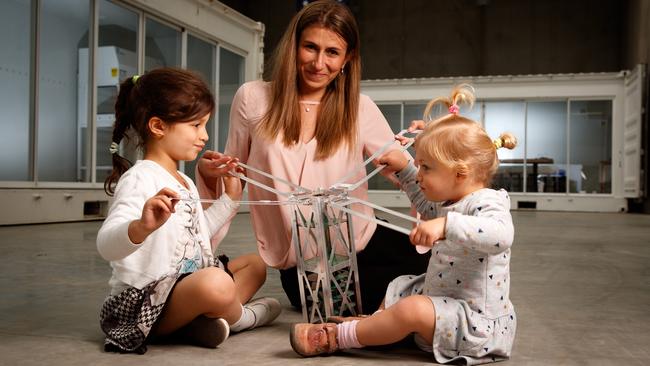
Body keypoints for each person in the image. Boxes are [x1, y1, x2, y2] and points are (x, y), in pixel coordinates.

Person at [196, 0, 428, 314]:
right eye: (310, 47)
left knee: (444, 268)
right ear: (293, 48)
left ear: (347, 58)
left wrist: (419, 162)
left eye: (332, 52)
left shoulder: (360, 108)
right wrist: (210, 173)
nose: (319, 63)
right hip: (302, 267)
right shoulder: (252, 98)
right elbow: (231, 177)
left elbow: (418, 181)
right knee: (384, 305)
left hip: (363, 241)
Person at [289, 84, 518, 364]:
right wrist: (403, 167)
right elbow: (424, 203)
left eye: (426, 167)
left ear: (461, 173)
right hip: (443, 299)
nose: (419, 175)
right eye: (418, 166)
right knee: (401, 285)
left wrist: (445, 226)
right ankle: (374, 326)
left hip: (471, 325)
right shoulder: (448, 198)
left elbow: (501, 236)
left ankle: (341, 337)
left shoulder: (487, 202)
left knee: (411, 309)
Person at [96, 67, 280, 354]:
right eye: (196, 125)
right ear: (158, 126)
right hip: (144, 303)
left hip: (182, 288)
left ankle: (198, 323)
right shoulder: (140, 178)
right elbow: (106, 245)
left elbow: (197, 234)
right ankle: (241, 319)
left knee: (255, 264)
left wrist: (231, 197)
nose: (204, 135)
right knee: (215, 283)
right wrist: (140, 228)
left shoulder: (182, 180)